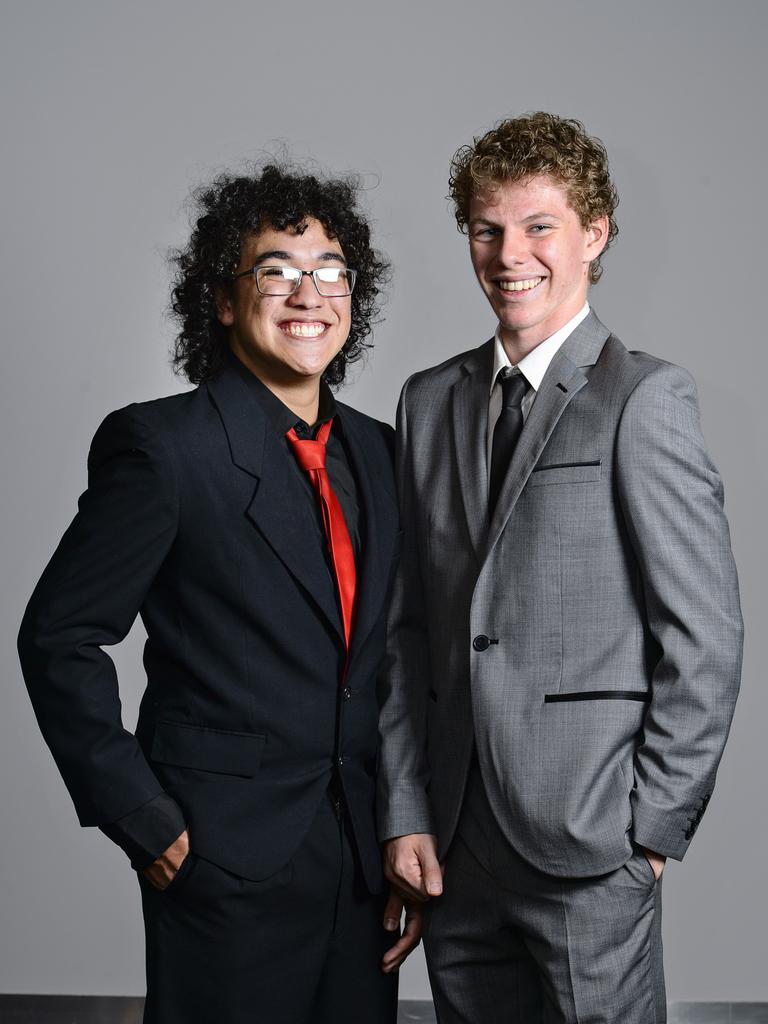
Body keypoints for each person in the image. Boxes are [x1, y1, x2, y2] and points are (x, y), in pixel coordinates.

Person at [18, 163, 419, 1024]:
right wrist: (143, 817)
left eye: (330, 271)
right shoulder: (163, 449)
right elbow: (58, 637)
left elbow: (394, 660)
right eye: (276, 270)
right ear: (227, 301)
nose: (308, 293)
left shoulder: (384, 455)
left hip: (362, 868)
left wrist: (404, 829)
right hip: (221, 857)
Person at [378, 112, 743, 1023]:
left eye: (539, 226)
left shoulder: (644, 399)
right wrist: (406, 806)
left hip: (591, 846)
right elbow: (406, 631)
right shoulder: (427, 402)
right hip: (453, 845)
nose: (511, 254)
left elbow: (703, 637)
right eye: (487, 229)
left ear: (595, 233)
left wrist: (648, 836)